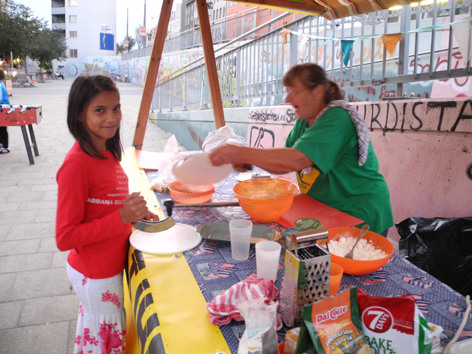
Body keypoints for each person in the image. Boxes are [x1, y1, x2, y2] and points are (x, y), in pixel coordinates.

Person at [209, 63, 393, 236]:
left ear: (317, 91)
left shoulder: (337, 118)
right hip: (327, 211)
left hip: (358, 211)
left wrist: (238, 152)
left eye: (293, 91)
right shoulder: (304, 121)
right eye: (287, 92)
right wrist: (249, 160)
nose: (287, 99)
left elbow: (296, 160)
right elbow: (283, 165)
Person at [56, 75, 157, 354]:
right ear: (79, 113)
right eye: (99, 110)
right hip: (96, 274)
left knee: (98, 337)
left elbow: (106, 200)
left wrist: (135, 211)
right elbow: (65, 237)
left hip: (110, 267)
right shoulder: (76, 165)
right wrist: (121, 217)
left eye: (116, 108)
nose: (112, 118)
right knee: (105, 344)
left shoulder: (107, 150)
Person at [0, 69, 11, 154]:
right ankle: (4, 145)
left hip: (2, 109)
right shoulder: (2, 84)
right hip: (5, 108)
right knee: (3, 128)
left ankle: (3, 146)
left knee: (1, 129)